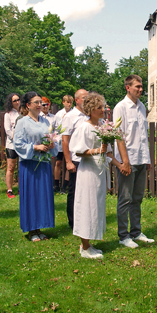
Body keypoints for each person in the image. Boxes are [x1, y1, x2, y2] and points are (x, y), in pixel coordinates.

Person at [69, 93, 127, 258]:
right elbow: (79, 151)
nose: (103, 110)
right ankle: (85, 247)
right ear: (91, 109)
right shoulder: (84, 127)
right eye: (99, 107)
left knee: (96, 207)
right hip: (88, 173)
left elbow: (108, 153)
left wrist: (120, 165)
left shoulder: (102, 126)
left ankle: (88, 244)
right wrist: (96, 150)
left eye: (103, 106)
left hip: (100, 172)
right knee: (87, 206)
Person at [113, 74, 153, 249]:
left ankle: (136, 232)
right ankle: (123, 235)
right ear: (127, 88)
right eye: (137, 86)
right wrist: (125, 161)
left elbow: (144, 136)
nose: (141, 89)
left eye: (141, 86)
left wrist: (148, 159)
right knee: (125, 199)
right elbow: (118, 136)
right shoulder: (120, 107)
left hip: (141, 159)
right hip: (127, 161)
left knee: (137, 198)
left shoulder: (142, 107)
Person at [13, 91, 57, 241]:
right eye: (37, 103)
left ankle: (40, 226)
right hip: (29, 164)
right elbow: (17, 143)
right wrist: (35, 147)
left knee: (42, 195)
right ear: (28, 105)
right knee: (31, 196)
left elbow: (51, 138)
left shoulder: (45, 122)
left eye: (41, 103)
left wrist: (51, 144)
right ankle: (31, 229)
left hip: (43, 163)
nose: (40, 105)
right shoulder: (22, 122)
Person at [61, 89, 89, 228]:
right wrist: (68, 161)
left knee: (86, 191)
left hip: (89, 159)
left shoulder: (91, 115)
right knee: (74, 191)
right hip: (76, 160)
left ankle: (85, 218)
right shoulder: (70, 116)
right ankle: (73, 221)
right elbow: (65, 140)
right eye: (84, 98)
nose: (87, 100)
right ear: (76, 100)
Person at [3, 93, 21, 198]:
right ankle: (9, 189)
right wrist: (15, 138)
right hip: (11, 145)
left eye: (18, 99)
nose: (17, 102)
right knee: (11, 167)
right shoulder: (8, 114)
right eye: (15, 100)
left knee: (21, 166)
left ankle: (21, 188)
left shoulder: (23, 113)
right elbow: (8, 130)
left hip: (22, 145)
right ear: (11, 102)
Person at [53, 95, 73, 192]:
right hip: (60, 141)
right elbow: (56, 128)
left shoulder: (74, 113)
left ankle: (65, 185)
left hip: (70, 141)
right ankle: (56, 184)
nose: (69, 104)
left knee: (69, 161)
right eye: (67, 102)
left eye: (70, 102)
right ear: (63, 102)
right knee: (58, 162)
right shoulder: (58, 114)